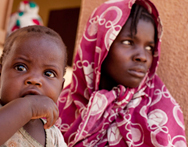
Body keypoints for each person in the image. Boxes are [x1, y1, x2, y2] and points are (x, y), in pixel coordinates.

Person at [56, 0, 187, 146]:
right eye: (128, 42)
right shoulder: (62, 104)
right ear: (99, 45)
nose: (142, 57)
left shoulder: (161, 113)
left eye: (149, 48)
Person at [0, 25, 67, 147]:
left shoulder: (53, 136)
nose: (34, 80)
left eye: (49, 73)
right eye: (21, 67)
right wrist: (28, 107)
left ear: (61, 88)